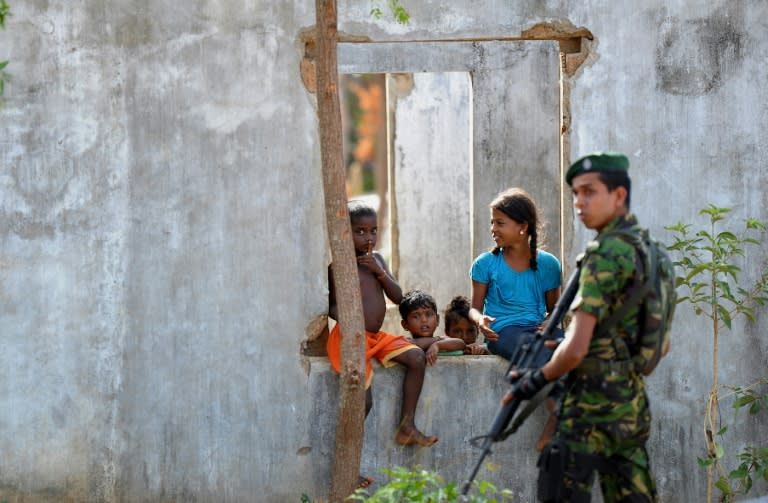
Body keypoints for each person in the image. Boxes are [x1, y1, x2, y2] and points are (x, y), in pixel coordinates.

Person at [506, 152, 659, 502]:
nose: (579, 202)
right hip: (630, 407)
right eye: (575, 193)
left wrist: (535, 380)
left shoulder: (604, 255)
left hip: (589, 410)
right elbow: (655, 345)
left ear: (618, 195)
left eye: (589, 192)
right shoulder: (651, 252)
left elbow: (574, 348)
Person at [327, 200, 438, 460]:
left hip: (376, 337)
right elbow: (331, 308)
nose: (369, 237)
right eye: (360, 231)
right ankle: (348, 460)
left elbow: (399, 297)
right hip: (351, 338)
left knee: (416, 358)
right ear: (345, 232)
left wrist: (380, 273)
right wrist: (349, 317)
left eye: (373, 230)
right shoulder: (338, 268)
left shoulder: (377, 260)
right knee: (363, 402)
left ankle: (406, 425)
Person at [468, 187, 562, 449]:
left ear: (522, 227)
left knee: (564, 348)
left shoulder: (549, 264)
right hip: (504, 331)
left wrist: (549, 320)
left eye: (500, 223)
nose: (493, 229)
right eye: (492, 223)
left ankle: (557, 417)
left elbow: (555, 309)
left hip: (538, 330)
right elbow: (473, 307)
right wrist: (479, 321)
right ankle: (558, 414)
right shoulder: (485, 264)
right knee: (530, 348)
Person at [399, 290, 466, 363]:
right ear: (405, 324)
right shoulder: (405, 343)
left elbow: (461, 343)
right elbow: (416, 343)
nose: (424, 320)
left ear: (437, 320)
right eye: (416, 316)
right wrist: (437, 340)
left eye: (429, 314)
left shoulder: (441, 342)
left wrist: (437, 345)